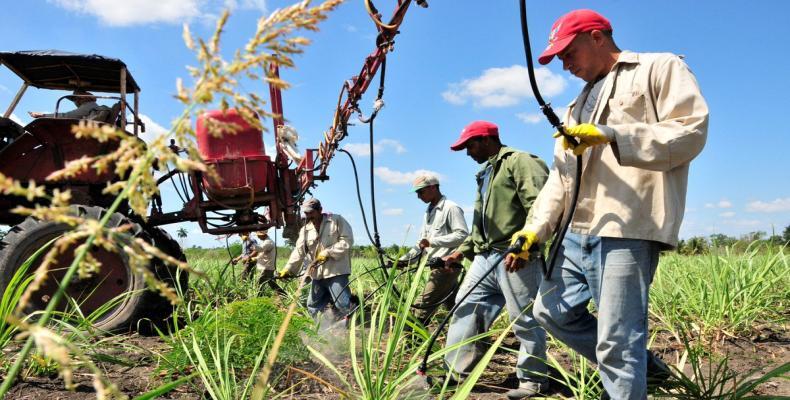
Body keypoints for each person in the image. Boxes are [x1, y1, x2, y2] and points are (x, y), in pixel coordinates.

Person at [509, 9, 708, 399]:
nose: (565, 65)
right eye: (559, 59)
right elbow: (561, 178)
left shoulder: (657, 67)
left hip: (626, 227)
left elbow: (690, 131)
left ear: (597, 36)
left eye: (568, 53)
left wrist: (612, 134)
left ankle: (625, 374)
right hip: (574, 230)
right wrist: (534, 229)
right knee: (550, 312)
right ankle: (643, 368)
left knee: (617, 339)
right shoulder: (574, 106)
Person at [441, 120, 549, 399]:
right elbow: (481, 224)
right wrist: (461, 251)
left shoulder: (520, 162)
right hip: (485, 257)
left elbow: (541, 206)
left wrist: (527, 244)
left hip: (516, 256)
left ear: (487, 140)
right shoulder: (486, 172)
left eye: (470, 145)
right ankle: (456, 373)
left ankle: (533, 381)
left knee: (524, 319)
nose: (467, 152)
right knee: (465, 309)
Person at [397, 174, 468, 323]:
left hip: (446, 266)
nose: (418, 196)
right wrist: (404, 260)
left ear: (433, 187)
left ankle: (412, 342)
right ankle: (469, 336)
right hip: (435, 265)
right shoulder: (428, 211)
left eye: (421, 192)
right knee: (456, 308)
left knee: (420, 307)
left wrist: (432, 241)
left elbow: (462, 235)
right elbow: (422, 243)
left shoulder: (451, 208)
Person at [279, 198, 354, 322]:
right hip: (317, 274)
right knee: (313, 306)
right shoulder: (305, 230)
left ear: (320, 210)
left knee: (343, 303)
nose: (308, 216)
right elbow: (299, 251)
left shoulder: (336, 220)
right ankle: (321, 330)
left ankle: (354, 327)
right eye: (306, 213)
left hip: (335, 271)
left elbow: (347, 241)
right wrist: (288, 269)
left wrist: (328, 252)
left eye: (311, 213)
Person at [28, 89, 107, 120]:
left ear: (82, 98)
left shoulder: (89, 105)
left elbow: (67, 116)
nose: (75, 102)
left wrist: (43, 115)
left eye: (75, 99)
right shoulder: (91, 106)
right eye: (74, 100)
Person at [254, 230, 284, 294]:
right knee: (271, 283)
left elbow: (260, 249)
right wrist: (255, 258)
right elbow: (263, 254)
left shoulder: (268, 242)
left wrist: (249, 241)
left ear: (263, 235)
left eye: (259, 236)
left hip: (267, 267)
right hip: (267, 266)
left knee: (260, 283)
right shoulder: (265, 242)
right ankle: (283, 295)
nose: (258, 237)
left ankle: (259, 297)